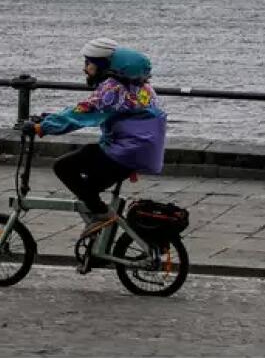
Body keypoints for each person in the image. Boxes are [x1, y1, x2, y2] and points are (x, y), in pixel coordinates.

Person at [25, 37, 167, 238]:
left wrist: (42, 128)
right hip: (139, 150)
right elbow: (86, 107)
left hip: (126, 151)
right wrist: (49, 117)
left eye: (88, 64)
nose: (85, 69)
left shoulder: (112, 89)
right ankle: (100, 242)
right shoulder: (139, 86)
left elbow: (82, 113)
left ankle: (101, 217)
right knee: (88, 188)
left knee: (63, 167)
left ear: (101, 66)